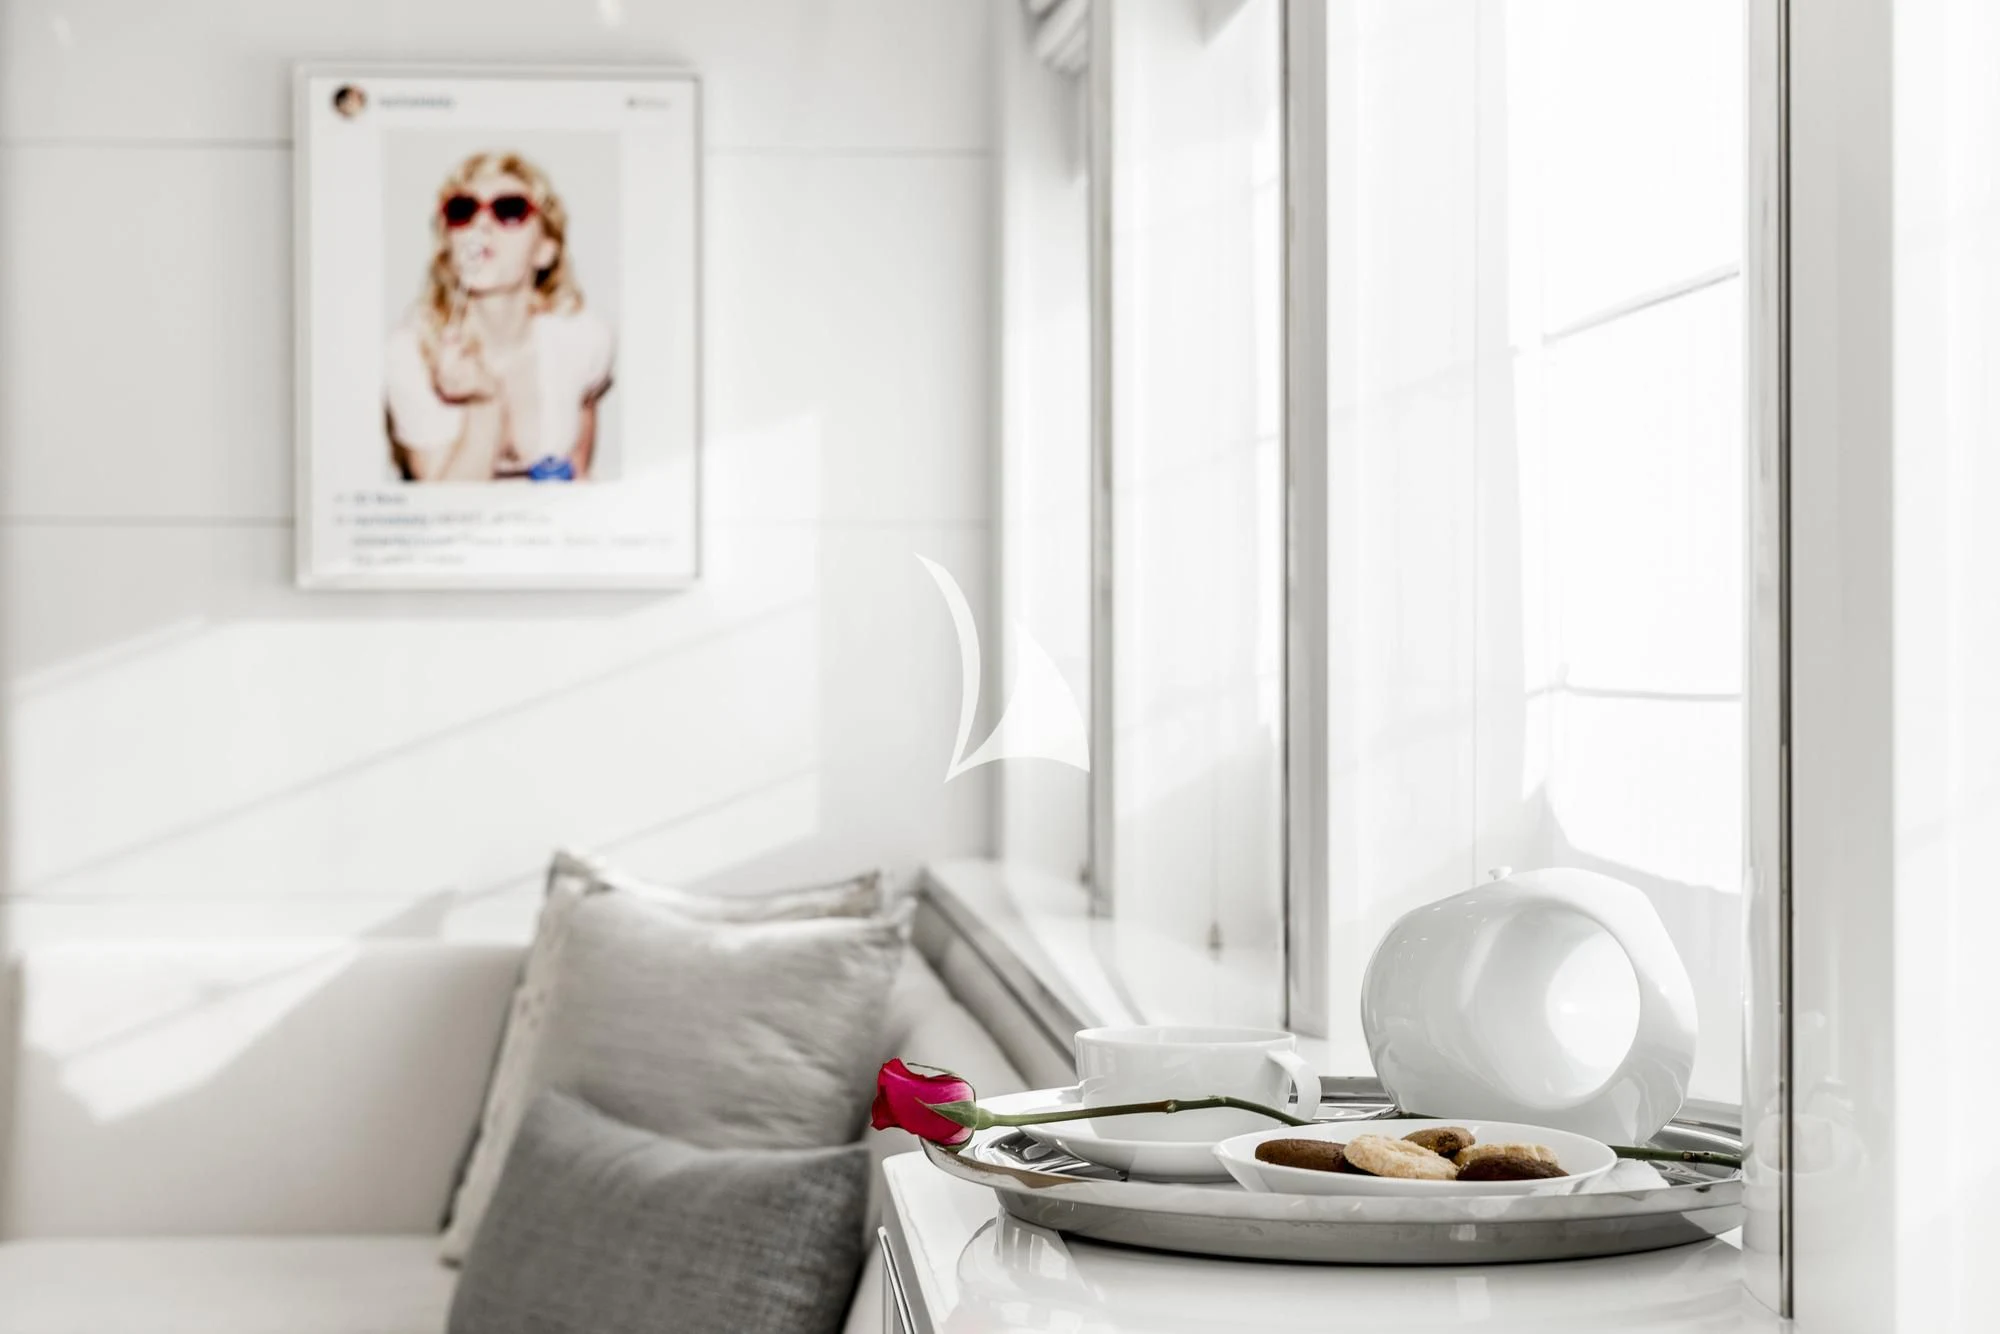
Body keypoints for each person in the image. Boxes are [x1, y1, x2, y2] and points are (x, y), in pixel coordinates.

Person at [384, 151, 614, 482]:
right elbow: (445, 507)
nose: (481, 225)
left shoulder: (583, 339)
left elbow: (576, 473)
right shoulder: (412, 354)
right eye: (463, 211)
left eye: (510, 210)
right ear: (449, 246)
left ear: (545, 250)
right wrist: (485, 401)